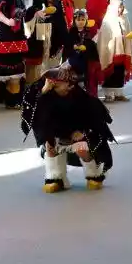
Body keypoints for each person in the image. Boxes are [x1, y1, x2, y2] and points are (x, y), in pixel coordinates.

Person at [21, 63, 114, 193]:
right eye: (66, 84)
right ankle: (55, 178)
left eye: (71, 84)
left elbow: (91, 116)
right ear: (52, 84)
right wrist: (43, 92)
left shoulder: (78, 95)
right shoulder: (43, 95)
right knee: (50, 144)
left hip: (77, 131)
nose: (70, 86)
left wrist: (81, 131)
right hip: (56, 133)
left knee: (81, 147)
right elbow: (35, 116)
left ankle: (94, 175)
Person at [17, 0, 58, 86]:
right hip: (25, 29)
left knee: (39, 60)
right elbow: (20, 8)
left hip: (40, 28)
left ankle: (35, 87)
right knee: (26, 62)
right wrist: (35, 12)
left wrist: (46, 12)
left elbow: (44, 5)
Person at [96, 0, 132, 102]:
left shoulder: (124, 18)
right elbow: (105, 37)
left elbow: (126, 32)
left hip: (122, 50)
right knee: (111, 71)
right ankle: (109, 94)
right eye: (119, 7)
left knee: (120, 71)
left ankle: (119, 93)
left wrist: (127, 37)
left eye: (122, 7)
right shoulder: (108, 20)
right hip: (112, 51)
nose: (121, 9)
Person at [63, 8, 99, 92]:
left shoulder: (88, 32)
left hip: (85, 59)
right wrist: (74, 47)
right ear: (74, 21)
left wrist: (87, 47)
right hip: (73, 58)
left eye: (83, 20)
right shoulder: (71, 32)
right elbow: (67, 47)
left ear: (86, 21)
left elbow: (91, 46)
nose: (81, 22)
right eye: (78, 20)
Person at [47, 0, 75, 69]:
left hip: (68, 36)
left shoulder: (70, 2)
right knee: (59, 66)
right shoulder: (58, 2)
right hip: (60, 38)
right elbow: (58, 23)